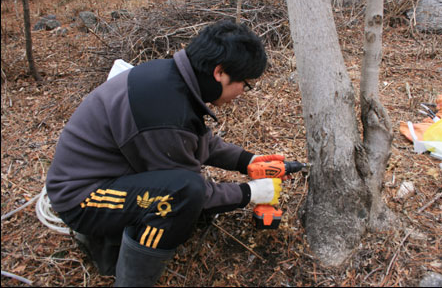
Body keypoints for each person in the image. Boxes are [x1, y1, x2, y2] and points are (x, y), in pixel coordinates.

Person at [46, 20, 285, 286]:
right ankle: (132, 280)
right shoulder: (165, 109)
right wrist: (250, 193)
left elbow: (195, 140)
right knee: (182, 195)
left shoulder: (172, 79)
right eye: (245, 84)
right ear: (220, 73)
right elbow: (192, 194)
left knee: (181, 195)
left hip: (107, 176)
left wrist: (247, 161)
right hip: (82, 198)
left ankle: (113, 234)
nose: (243, 92)